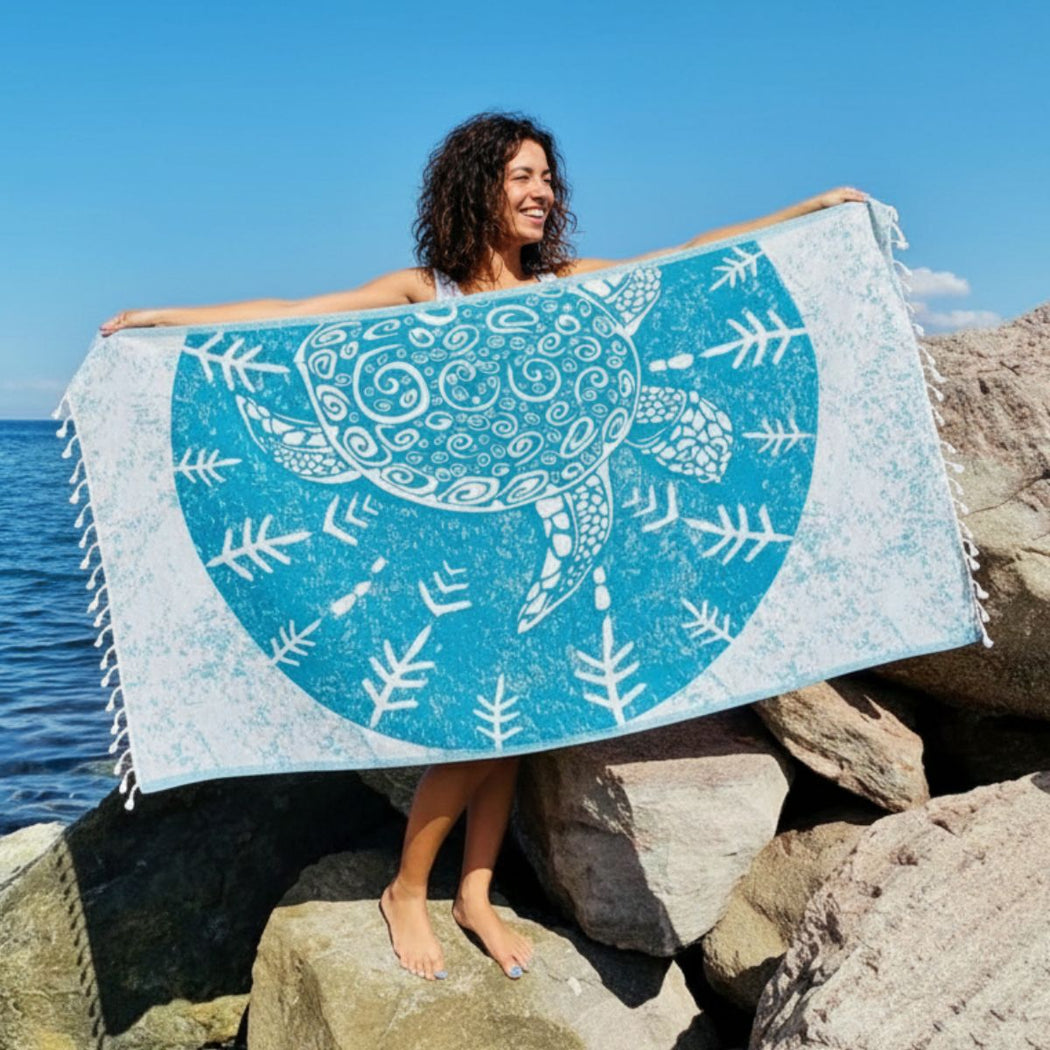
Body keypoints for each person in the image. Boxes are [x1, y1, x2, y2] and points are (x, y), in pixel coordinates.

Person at [100, 111, 867, 983]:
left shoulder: (568, 285)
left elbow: (690, 255)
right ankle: (406, 888)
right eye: (522, 178)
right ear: (478, 189)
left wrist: (808, 211)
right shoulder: (427, 290)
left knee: (518, 724)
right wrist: (165, 318)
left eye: (549, 178)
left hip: (526, 537)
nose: (544, 193)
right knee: (477, 729)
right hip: (456, 540)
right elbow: (289, 317)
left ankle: (474, 893)